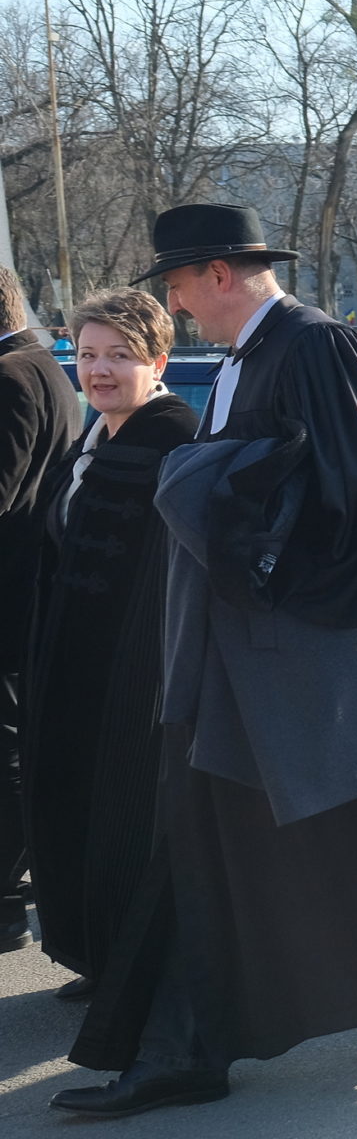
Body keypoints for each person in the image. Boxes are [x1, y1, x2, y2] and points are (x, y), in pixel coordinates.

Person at [55, 205, 357, 1117]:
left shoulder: (312, 347)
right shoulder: (258, 356)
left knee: (265, 829)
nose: (178, 307)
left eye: (180, 286)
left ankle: (194, 1048)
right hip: (258, 644)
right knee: (316, 827)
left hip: (290, 644)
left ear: (221, 275)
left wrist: (262, 574)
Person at [25, 289, 196, 1006]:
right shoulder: (97, 437)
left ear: (157, 360)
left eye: (118, 356)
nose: (97, 371)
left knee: (131, 822)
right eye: (87, 355)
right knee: (78, 812)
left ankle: (138, 971)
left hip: (137, 671)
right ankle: (98, 954)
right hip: (74, 663)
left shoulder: (174, 437)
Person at [0, 263, 78, 956]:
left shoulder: (14, 377)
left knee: (8, 749)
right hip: (27, 589)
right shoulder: (40, 365)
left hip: (13, 592)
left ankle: (6, 896)